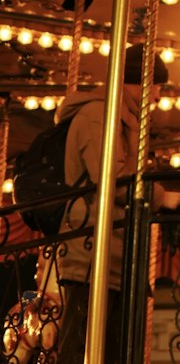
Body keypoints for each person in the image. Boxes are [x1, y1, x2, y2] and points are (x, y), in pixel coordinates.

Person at [53, 42, 169, 363]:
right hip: (92, 251)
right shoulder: (98, 114)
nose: (158, 95)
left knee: (114, 348)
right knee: (83, 347)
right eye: (156, 85)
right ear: (137, 81)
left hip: (114, 253)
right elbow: (112, 179)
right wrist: (162, 197)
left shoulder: (123, 117)